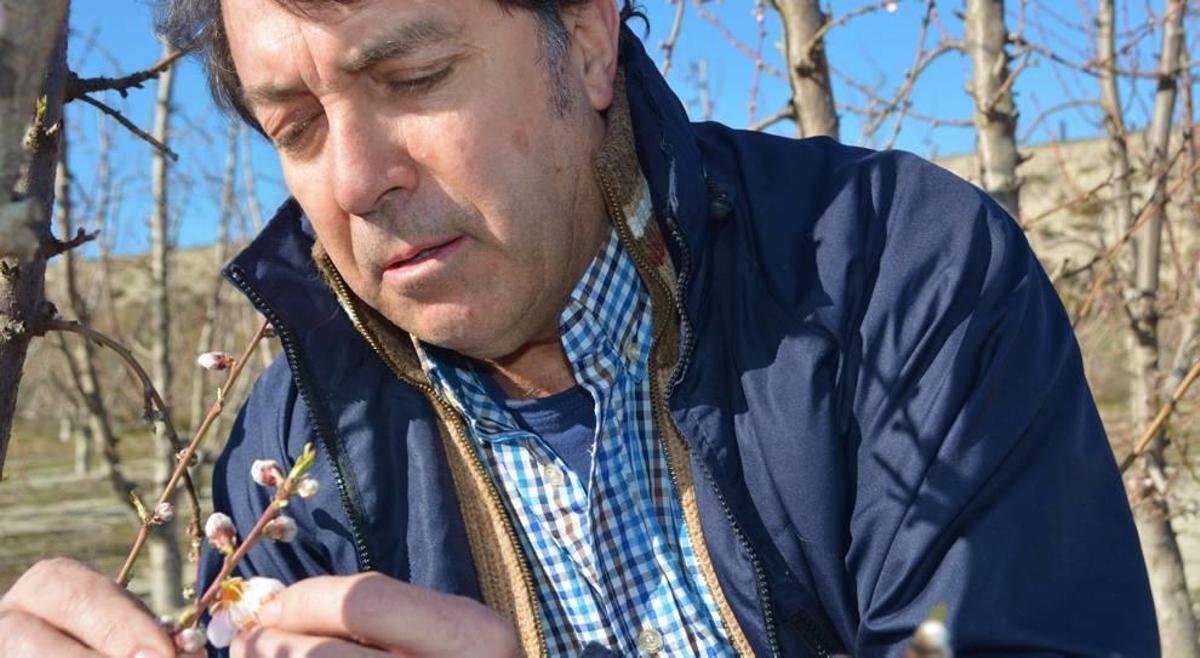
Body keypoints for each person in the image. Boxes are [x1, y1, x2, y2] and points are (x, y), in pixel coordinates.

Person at [0, 0, 1160, 655]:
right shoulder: (294, 444)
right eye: (295, 125)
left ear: (589, 38)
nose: (352, 179)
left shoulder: (893, 277)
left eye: (414, 76)